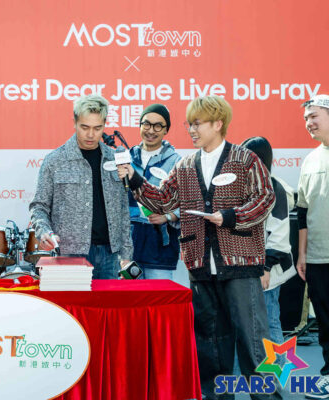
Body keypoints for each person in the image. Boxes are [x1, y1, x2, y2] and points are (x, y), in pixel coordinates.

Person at [118, 95, 279, 399]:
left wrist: (230, 217)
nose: (191, 130)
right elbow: (163, 200)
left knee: (254, 346)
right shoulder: (185, 165)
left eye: (197, 123)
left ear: (218, 123)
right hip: (200, 268)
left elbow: (265, 198)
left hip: (240, 266)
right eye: (189, 124)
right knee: (210, 347)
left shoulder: (245, 159)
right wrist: (135, 179)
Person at [29, 94, 132, 278]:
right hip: (69, 253)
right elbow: (39, 206)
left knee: (109, 299)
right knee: (72, 299)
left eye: (97, 128)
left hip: (110, 254)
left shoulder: (115, 159)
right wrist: (44, 231)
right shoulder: (55, 161)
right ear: (75, 122)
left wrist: (126, 255)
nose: (91, 134)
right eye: (85, 127)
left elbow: (123, 210)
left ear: (104, 125)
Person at [241, 137, 296, 345]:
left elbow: (279, 236)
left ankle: (277, 367)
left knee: (269, 321)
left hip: (267, 270)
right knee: (248, 324)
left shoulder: (274, 188)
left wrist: (265, 267)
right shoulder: (246, 186)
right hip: (247, 268)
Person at [297, 94, 329, 398]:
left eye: (314, 116)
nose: (308, 123)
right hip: (319, 257)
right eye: (306, 118)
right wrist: (303, 255)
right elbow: (303, 212)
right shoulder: (310, 160)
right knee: (325, 322)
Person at [127, 104, 181, 280]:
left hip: (160, 248)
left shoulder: (177, 162)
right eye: (147, 124)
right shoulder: (126, 159)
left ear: (166, 130)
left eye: (158, 126)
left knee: (159, 296)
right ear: (140, 125)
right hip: (129, 248)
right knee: (129, 296)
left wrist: (168, 216)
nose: (151, 130)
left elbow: (189, 201)